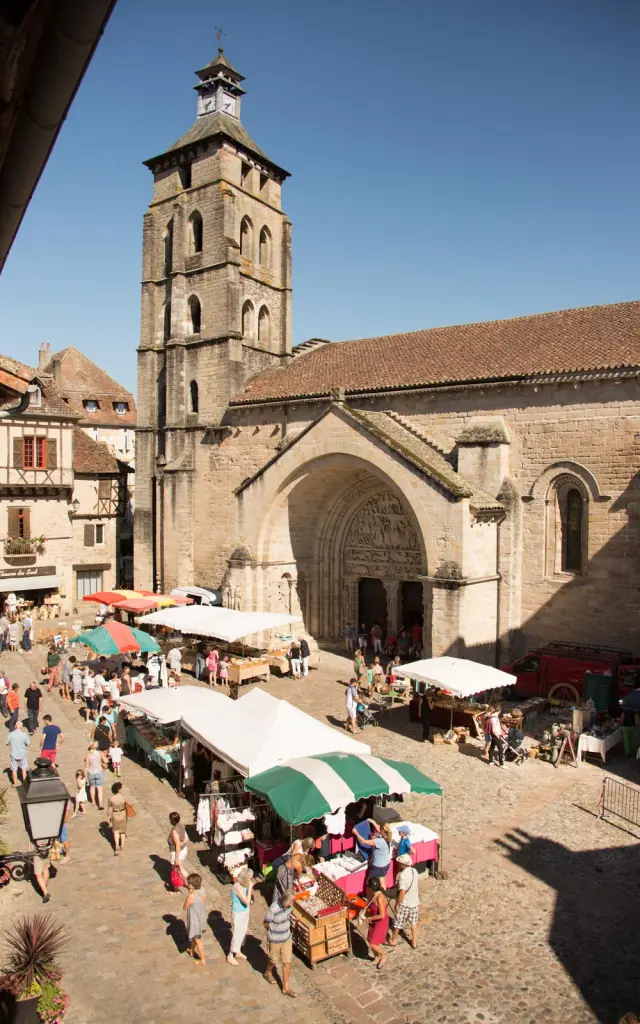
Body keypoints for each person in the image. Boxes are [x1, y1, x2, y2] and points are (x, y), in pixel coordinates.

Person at [263, 889, 296, 997]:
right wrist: (273, 930)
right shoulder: (274, 908)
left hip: (286, 938)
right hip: (275, 940)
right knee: (273, 960)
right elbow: (266, 923)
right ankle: (267, 972)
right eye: (292, 901)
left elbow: (289, 915)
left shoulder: (290, 907)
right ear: (286, 900)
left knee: (287, 962)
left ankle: (285, 988)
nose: (293, 903)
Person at [389, 852, 420, 947]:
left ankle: (394, 940)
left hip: (405, 903)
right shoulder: (415, 871)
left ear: (403, 864)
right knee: (414, 922)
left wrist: (398, 903)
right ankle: (414, 942)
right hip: (414, 901)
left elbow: (402, 891)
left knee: (398, 922)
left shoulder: (402, 875)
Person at [352, 819, 391, 888]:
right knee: (382, 881)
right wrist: (373, 822)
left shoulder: (378, 841)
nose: (378, 827)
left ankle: (370, 894)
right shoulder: (388, 837)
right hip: (386, 864)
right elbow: (380, 830)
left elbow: (363, 841)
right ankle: (384, 893)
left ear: (382, 831)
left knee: (369, 882)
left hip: (378, 866)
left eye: (380, 827)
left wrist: (356, 832)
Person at [227, 866, 254, 965]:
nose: (251, 880)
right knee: (236, 934)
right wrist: (250, 888)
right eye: (250, 878)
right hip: (238, 913)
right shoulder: (237, 886)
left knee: (243, 931)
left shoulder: (244, 884)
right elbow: (246, 901)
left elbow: (247, 899)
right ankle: (230, 955)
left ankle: (237, 951)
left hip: (245, 911)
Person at [365, 877, 389, 968]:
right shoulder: (372, 895)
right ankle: (376, 958)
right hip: (374, 920)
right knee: (370, 939)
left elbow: (382, 915)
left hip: (380, 922)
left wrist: (370, 918)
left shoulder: (380, 897)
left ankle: (383, 955)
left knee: (372, 943)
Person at [184, 873, 207, 966]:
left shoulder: (191, 896)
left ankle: (202, 960)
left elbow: (185, 907)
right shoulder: (203, 889)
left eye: (189, 883)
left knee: (198, 939)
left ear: (192, 885)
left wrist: (190, 893)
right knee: (194, 937)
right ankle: (192, 951)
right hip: (202, 917)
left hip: (195, 920)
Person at [168, 811, 188, 890]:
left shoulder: (174, 831)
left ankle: (189, 883)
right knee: (180, 868)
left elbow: (177, 846)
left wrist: (176, 858)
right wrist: (182, 843)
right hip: (184, 850)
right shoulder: (181, 825)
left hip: (178, 852)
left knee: (179, 869)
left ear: (172, 820)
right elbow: (186, 839)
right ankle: (186, 884)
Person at [6, 720, 30, 785]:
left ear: (15, 726)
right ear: (21, 727)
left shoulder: (11, 734)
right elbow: (28, 744)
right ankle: (24, 783)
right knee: (23, 769)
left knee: (14, 770)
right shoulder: (24, 734)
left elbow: (7, 743)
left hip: (14, 754)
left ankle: (15, 783)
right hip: (22, 754)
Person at [107, 781, 128, 856]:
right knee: (123, 831)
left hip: (115, 814)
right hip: (123, 814)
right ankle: (122, 845)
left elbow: (110, 809)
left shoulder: (111, 798)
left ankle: (116, 846)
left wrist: (108, 817)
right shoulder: (123, 797)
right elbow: (127, 804)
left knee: (116, 831)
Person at [85, 741, 107, 809]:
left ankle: (93, 801)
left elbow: (86, 766)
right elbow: (106, 761)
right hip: (99, 772)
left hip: (91, 772)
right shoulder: (100, 753)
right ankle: (100, 803)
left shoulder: (88, 755)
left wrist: (85, 775)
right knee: (99, 789)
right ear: (97, 746)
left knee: (92, 787)